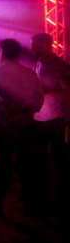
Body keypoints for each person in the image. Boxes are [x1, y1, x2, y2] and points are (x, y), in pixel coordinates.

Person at [0, 39, 44, 217]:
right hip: (26, 124)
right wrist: (26, 113)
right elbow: (38, 99)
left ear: (2, 52)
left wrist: (6, 116)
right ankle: (29, 205)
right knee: (27, 165)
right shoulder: (30, 73)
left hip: (3, 125)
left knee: (4, 165)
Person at [31, 33, 70, 217]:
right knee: (41, 158)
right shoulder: (40, 63)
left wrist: (48, 90)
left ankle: (61, 200)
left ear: (44, 45)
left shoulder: (57, 65)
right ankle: (44, 197)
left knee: (58, 159)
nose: (31, 48)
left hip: (54, 117)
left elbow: (67, 88)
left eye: (34, 44)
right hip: (41, 116)